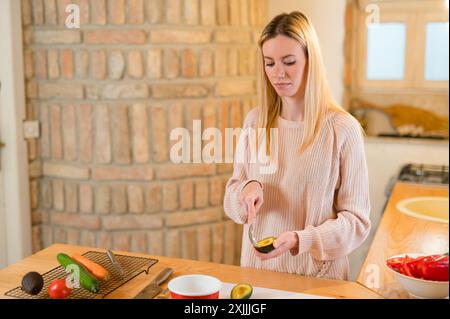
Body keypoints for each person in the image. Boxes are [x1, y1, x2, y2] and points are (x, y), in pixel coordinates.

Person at [223, 11, 371, 280]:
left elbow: (357, 223)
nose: (278, 73)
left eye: (289, 62)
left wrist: (299, 240)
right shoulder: (255, 121)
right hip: (258, 277)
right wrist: (245, 189)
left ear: (310, 61)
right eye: (269, 63)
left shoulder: (342, 129)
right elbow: (232, 199)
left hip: (317, 280)